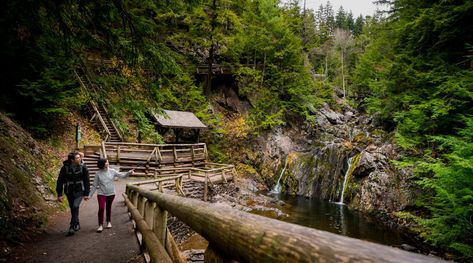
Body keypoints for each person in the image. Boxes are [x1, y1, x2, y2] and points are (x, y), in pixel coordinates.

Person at [89, 158, 134, 232]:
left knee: (108, 208)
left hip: (111, 193)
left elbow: (122, 176)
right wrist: (90, 195)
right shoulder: (98, 173)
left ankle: (108, 221)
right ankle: (100, 225)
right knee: (101, 208)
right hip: (101, 193)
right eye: (106, 162)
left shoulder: (112, 171)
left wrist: (129, 172)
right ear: (103, 164)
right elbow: (94, 185)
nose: (108, 162)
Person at [56, 152, 90, 236]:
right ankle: (77, 223)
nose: (80, 159)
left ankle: (72, 226)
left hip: (79, 190)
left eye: (79, 157)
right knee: (73, 208)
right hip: (69, 190)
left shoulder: (83, 167)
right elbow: (60, 181)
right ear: (72, 160)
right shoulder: (65, 168)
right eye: (77, 158)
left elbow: (87, 181)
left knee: (75, 206)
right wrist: (59, 194)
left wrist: (86, 193)